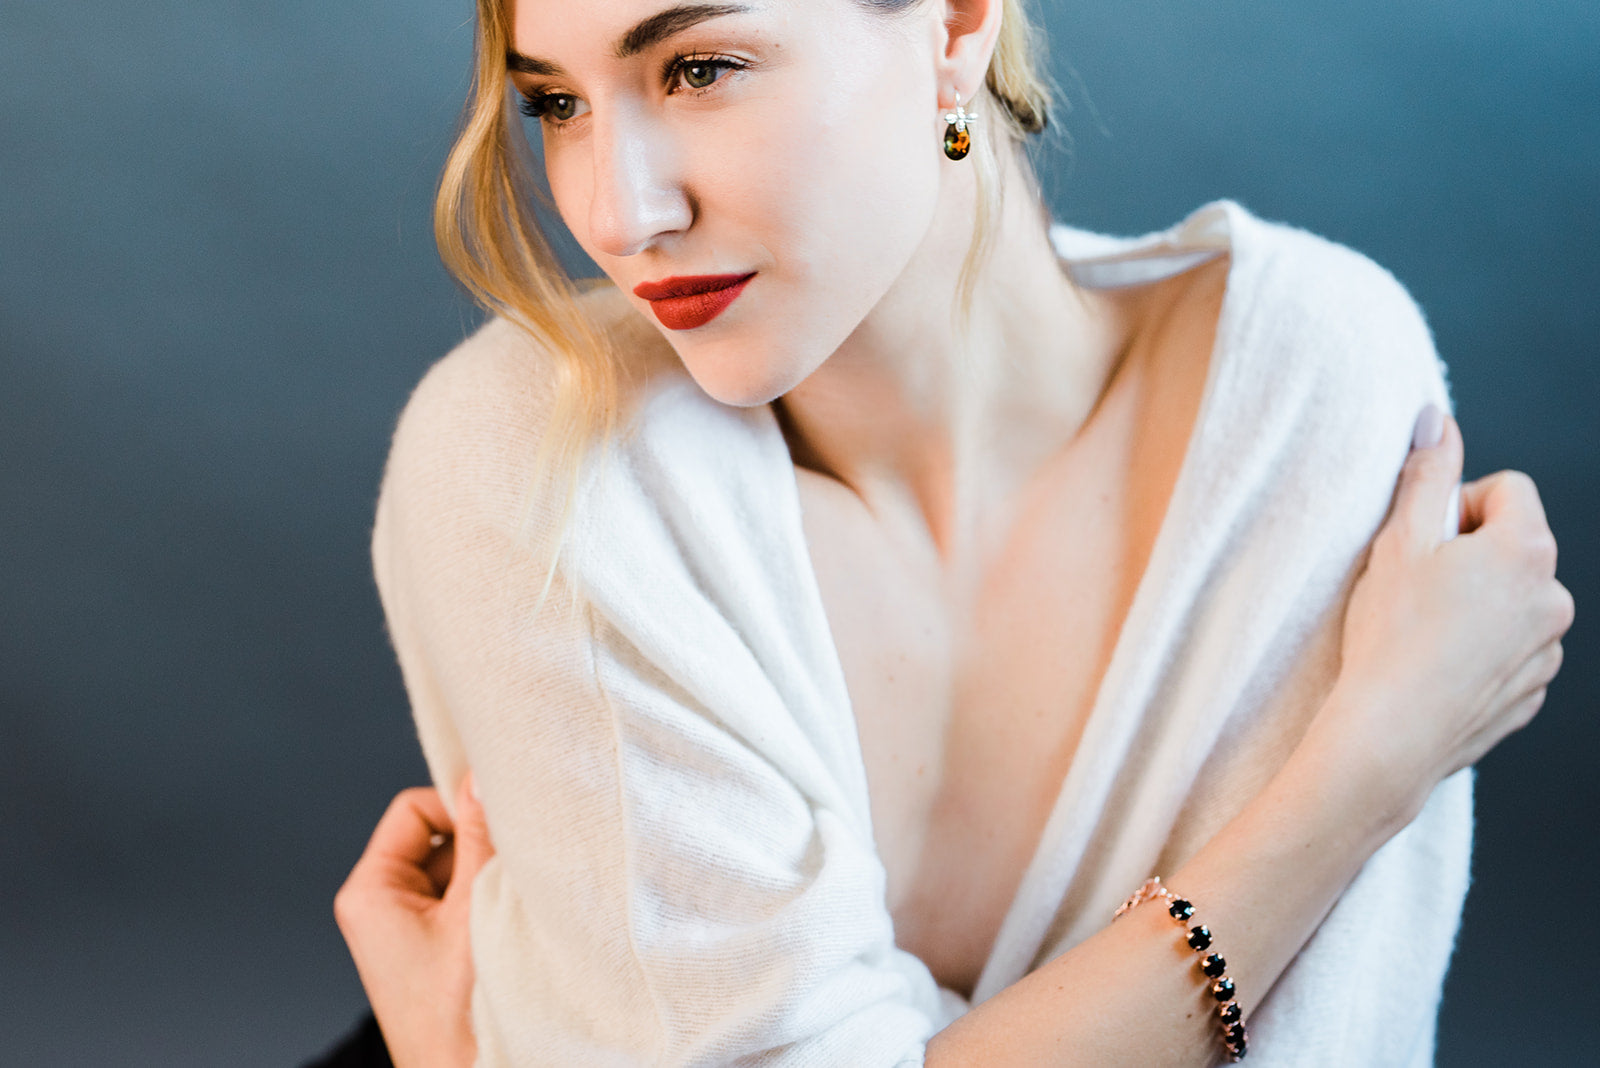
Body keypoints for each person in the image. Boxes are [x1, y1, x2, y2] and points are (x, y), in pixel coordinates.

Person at [325, 0, 1573, 1065]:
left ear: (957, 22)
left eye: (697, 68)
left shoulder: (1304, 384)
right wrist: (1366, 772)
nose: (616, 211)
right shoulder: (542, 449)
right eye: (556, 104)